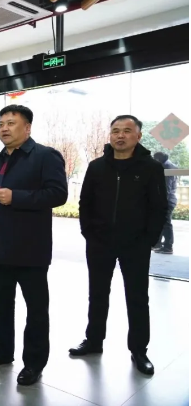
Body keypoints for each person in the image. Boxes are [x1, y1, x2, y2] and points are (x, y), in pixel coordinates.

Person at [0, 105, 68, 386]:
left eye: (11, 123)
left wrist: (17, 197)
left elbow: (58, 194)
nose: (4, 128)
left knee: (36, 310)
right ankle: (2, 352)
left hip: (29, 249)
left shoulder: (45, 156)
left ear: (27, 128)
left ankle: (34, 363)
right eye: (1, 123)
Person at [69, 115, 168, 376]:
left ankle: (139, 350)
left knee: (137, 297)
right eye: (115, 131)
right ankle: (93, 341)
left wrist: (148, 239)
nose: (120, 135)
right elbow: (85, 202)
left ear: (138, 136)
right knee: (97, 293)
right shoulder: (96, 167)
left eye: (126, 130)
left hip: (135, 245)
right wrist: (88, 232)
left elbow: (159, 207)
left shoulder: (151, 168)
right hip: (99, 243)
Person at [152, 152, 178, 254]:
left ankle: (168, 246)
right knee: (161, 222)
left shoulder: (166, 167)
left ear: (158, 159)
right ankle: (158, 244)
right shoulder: (170, 165)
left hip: (167, 200)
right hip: (170, 199)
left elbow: (166, 187)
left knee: (166, 223)